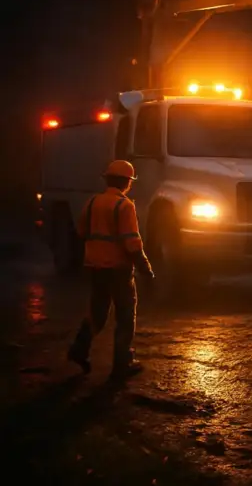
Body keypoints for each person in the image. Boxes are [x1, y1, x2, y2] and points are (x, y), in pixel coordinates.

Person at [67, 159, 155, 380]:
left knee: (97, 312)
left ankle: (79, 350)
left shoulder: (93, 202)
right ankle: (122, 364)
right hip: (119, 269)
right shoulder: (125, 206)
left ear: (107, 179)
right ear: (127, 183)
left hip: (96, 267)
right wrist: (147, 270)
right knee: (125, 316)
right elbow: (132, 243)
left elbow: (80, 232)